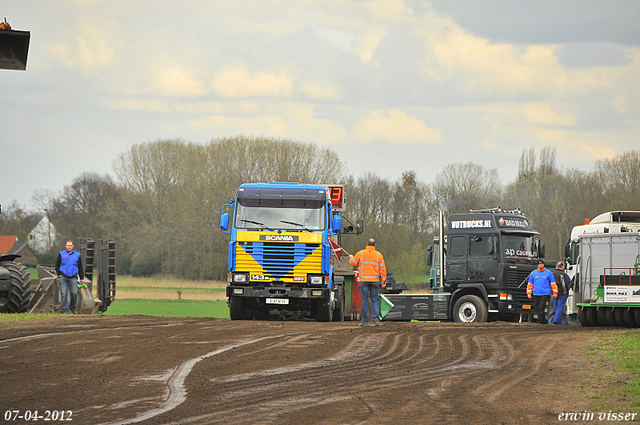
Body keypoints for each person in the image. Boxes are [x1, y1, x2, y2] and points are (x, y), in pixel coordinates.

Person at [349, 238, 387, 327]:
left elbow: (353, 263)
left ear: (367, 244)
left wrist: (351, 258)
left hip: (363, 281)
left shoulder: (361, 253)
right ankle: (376, 320)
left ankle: (364, 321)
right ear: (375, 245)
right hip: (375, 281)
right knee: (375, 300)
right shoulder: (379, 255)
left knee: (364, 300)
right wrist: (384, 281)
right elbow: (383, 269)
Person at [55, 240, 85, 314]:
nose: (69, 247)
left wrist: (82, 278)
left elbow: (80, 267)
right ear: (65, 246)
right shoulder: (61, 254)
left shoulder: (77, 255)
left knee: (74, 293)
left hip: (73, 277)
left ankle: (72, 308)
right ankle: (65, 310)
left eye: (70, 245)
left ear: (73, 246)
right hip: (63, 277)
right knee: (63, 294)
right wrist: (59, 274)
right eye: (68, 245)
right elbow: (57, 265)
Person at [527, 260, 558, 324]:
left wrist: (555, 292)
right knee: (537, 308)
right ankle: (543, 320)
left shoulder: (549, 273)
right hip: (536, 293)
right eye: (540, 264)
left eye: (542, 264)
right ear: (538, 265)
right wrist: (529, 293)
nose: (541, 265)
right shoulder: (533, 273)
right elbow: (530, 284)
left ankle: (539, 321)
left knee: (541, 307)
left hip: (545, 293)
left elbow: (553, 284)